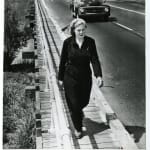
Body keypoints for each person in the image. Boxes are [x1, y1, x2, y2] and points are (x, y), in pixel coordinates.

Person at [58, 18, 103, 138]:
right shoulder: (68, 43)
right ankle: (78, 128)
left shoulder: (90, 42)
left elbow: (94, 60)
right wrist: (60, 78)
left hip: (85, 78)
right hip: (70, 78)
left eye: (83, 30)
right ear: (74, 30)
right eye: (79, 30)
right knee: (74, 104)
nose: (81, 32)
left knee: (84, 101)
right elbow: (62, 61)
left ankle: (79, 112)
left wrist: (98, 75)